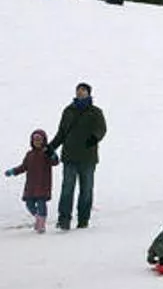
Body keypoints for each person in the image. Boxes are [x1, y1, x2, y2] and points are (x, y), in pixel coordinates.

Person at [47, 83, 107, 230]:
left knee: (86, 190)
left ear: (88, 93)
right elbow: (62, 133)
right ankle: (64, 219)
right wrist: (51, 147)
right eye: (78, 90)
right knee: (67, 189)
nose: (80, 93)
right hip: (69, 157)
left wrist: (95, 138)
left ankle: (83, 220)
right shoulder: (68, 111)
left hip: (88, 158)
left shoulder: (95, 112)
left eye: (83, 91)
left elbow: (102, 128)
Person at [4, 130, 60, 233]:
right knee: (29, 204)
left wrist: (52, 154)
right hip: (31, 185)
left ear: (44, 141)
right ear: (32, 141)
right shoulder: (29, 154)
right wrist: (13, 171)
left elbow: (55, 162)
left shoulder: (46, 154)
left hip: (43, 184)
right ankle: (38, 217)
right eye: (35, 140)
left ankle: (41, 224)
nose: (37, 142)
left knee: (41, 204)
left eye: (39, 140)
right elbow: (23, 167)